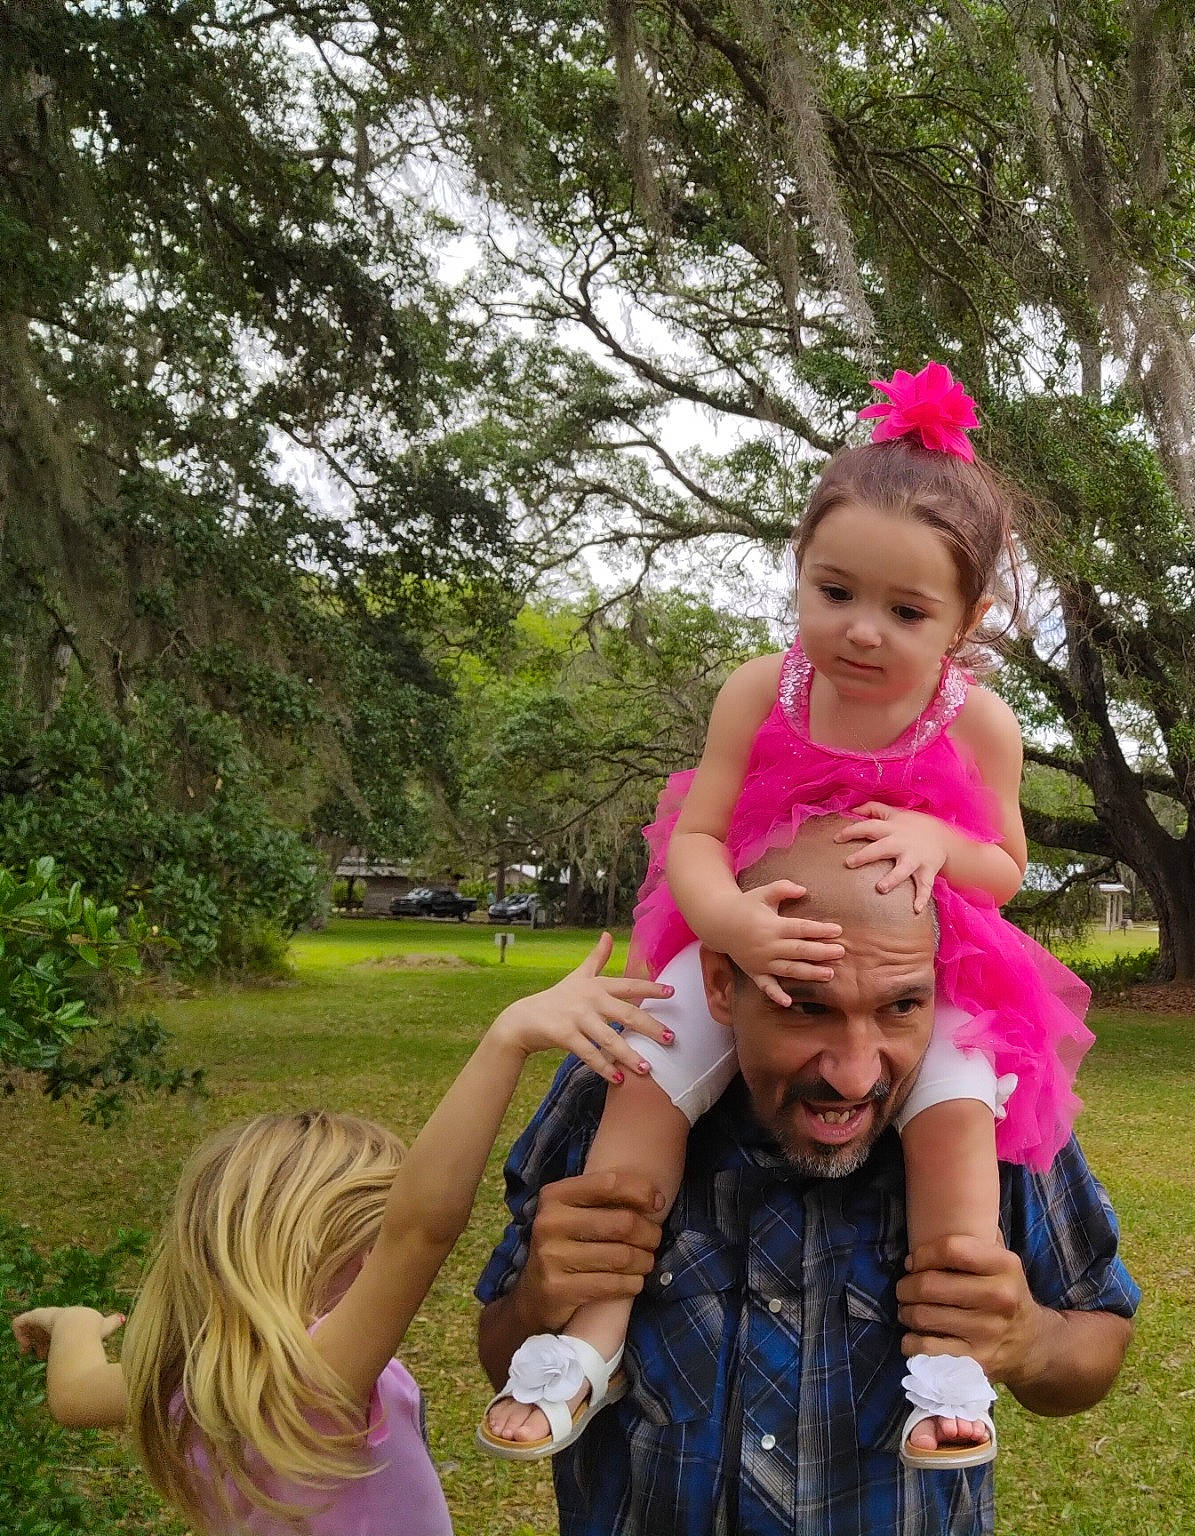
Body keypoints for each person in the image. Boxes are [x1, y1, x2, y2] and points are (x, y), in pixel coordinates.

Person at [480, 364, 1092, 1469]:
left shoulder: (979, 725)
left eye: (906, 612)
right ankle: (592, 1332)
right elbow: (699, 835)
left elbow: (1002, 864)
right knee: (645, 1075)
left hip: (925, 966)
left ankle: (947, 1369)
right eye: (833, 592)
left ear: (966, 620)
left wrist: (935, 844)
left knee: (956, 1121)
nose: (861, 633)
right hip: (752, 941)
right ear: (799, 576)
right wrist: (731, 930)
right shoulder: (764, 688)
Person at [474, 819, 1137, 1536]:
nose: (855, 1073)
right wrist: (541, 1295)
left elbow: (1098, 1334)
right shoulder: (610, 1092)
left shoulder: (994, 1118)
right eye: (808, 1007)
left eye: (901, 1007)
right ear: (723, 987)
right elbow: (501, 1350)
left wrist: (1030, 1340)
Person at [11, 940, 668, 1536]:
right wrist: (507, 1039)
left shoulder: (193, 1380)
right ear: (320, 1248)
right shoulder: (310, 1384)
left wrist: (69, 1322)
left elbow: (72, 1394)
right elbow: (421, 1230)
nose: (377, 1260)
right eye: (370, 1238)